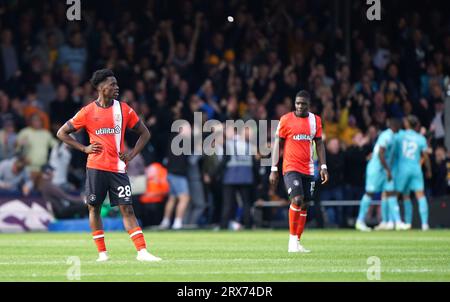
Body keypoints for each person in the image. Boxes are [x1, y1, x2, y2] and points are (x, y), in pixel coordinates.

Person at [56, 69, 160, 262]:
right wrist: (84, 148)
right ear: (101, 88)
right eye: (112, 84)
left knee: (127, 208)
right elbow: (62, 133)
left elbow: (145, 133)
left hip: (118, 168)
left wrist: (131, 154)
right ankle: (102, 254)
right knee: (93, 208)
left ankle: (142, 252)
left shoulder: (124, 110)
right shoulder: (87, 112)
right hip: (95, 167)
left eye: (116, 84)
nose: (116, 87)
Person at [269, 90, 329, 253]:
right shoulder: (286, 120)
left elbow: (319, 144)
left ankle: (298, 242)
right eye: (297, 103)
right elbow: (277, 145)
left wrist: (323, 167)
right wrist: (273, 168)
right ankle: (291, 241)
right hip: (291, 167)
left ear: (309, 105)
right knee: (297, 199)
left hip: (309, 168)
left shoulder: (315, 121)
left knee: (305, 204)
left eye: (303, 103)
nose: (300, 106)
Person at [356, 118, 407, 231]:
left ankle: (397, 222)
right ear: (395, 126)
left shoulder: (393, 136)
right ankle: (360, 221)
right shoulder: (386, 136)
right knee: (370, 193)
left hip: (384, 170)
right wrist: (388, 170)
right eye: (400, 126)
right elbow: (380, 153)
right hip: (376, 169)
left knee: (391, 193)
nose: (401, 128)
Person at [393, 115, 432, 230]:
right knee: (420, 195)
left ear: (407, 124)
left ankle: (396, 221)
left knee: (397, 196)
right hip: (416, 169)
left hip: (402, 169)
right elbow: (425, 155)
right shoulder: (420, 138)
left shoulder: (400, 135)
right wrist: (429, 170)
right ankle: (425, 224)